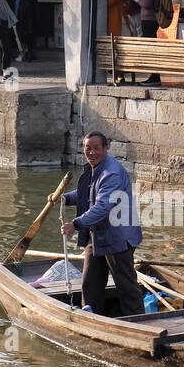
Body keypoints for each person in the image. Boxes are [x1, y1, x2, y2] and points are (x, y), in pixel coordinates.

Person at [54, 131, 146, 318]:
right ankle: (91, 317)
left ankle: (139, 321)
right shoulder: (95, 167)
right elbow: (87, 194)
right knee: (90, 282)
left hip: (118, 237)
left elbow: (103, 206)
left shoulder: (111, 173)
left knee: (126, 284)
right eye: (88, 148)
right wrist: (65, 198)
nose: (92, 152)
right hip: (97, 235)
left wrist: (76, 224)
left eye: (97, 148)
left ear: (106, 148)